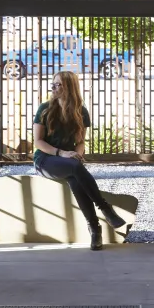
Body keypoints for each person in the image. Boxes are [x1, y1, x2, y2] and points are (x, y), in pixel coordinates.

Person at [33, 70, 125, 251]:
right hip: (45, 160)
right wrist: (61, 153)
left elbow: (80, 141)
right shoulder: (44, 109)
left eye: (58, 84)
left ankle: (95, 230)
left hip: (68, 163)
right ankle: (104, 209)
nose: (54, 87)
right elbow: (38, 142)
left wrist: (77, 155)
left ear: (69, 87)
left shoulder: (81, 111)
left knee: (75, 178)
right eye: (53, 83)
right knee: (74, 169)